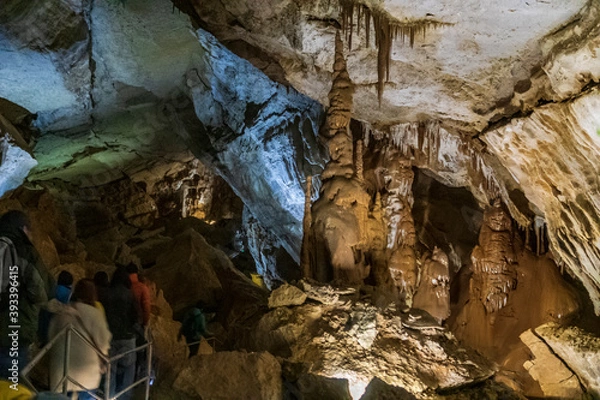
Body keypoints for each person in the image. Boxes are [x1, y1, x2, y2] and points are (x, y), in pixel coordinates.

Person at [0, 210, 53, 378]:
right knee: (12, 386)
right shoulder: (24, 251)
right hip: (13, 331)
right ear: (23, 229)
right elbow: (42, 292)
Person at [48, 279, 111, 400]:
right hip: (87, 372)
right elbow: (103, 342)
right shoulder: (95, 314)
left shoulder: (62, 312)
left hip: (62, 371)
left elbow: (51, 337)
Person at [100, 266, 138, 400]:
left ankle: (109, 396)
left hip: (110, 337)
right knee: (128, 370)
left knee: (110, 370)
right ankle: (125, 397)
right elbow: (136, 316)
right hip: (127, 337)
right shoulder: (130, 294)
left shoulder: (106, 294)